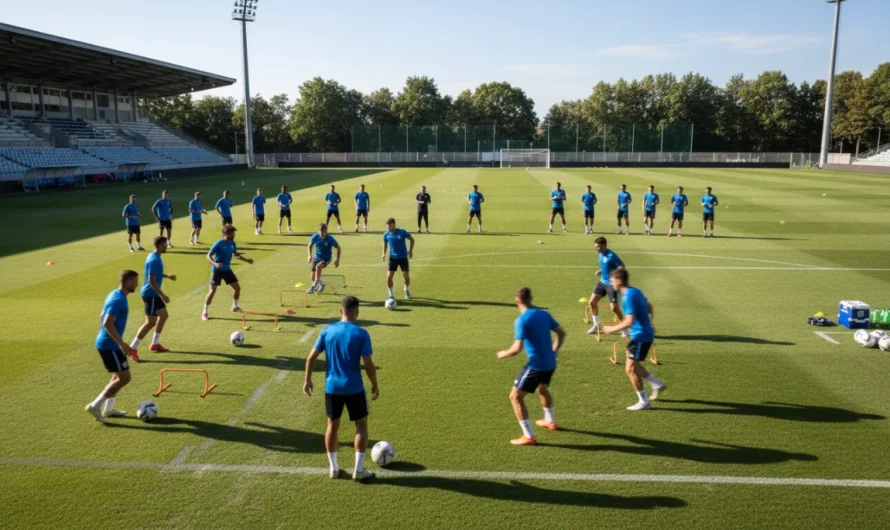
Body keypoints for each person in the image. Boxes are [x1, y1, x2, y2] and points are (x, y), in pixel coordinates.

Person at [303, 296, 379, 481]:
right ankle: (358, 470)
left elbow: (311, 358)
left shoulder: (327, 330)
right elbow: (368, 365)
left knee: (332, 425)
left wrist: (307, 379)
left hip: (332, 387)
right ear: (357, 312)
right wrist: (375, 384)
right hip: (354, 388)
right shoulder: (361, 334)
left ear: (340, 310)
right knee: (361, 426)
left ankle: (334, 468)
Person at [496, 287, 566, 446]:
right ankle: (550, 420)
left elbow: (516, 349)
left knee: (515, 397)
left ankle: (528, 436)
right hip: (550, 363)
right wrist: (554, 350)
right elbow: (561, 333)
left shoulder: (521, 320)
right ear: (530, 298)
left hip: (537, 365)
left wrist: (503, 354)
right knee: (541, 388)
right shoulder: (543, 314)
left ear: (517, 301)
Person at [602, 269, 666, 410]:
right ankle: (657, 384)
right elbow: (649, 306)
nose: (611, 283)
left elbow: (628, 322)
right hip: (643, 334)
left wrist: (610, 329)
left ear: (619, 280)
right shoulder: (635, 291)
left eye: (612, 280)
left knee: (630, 369)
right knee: (634, 365)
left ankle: (644, 402)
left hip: (640, 336)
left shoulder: (627, 297)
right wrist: (650, 323)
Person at [85, 269, 139, 422]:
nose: (137, 284)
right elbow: (107, 321)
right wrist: (122, 344)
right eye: (135, 281)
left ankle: (108, 409)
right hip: (110, 345)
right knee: (125, 378)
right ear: (128, 281)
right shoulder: (118, 300)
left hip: (108, 342)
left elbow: (102, 315)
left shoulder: (114, 294)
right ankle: (95, 405)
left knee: (117, 375)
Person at [129, 236, 177, 356]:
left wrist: (167, 276)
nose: (167, 246)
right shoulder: (154, 260)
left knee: (164, 315)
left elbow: (154, 273)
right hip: (151, 294)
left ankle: (155, 343)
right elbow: (151, 280)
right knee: (150, 322)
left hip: (153, 294)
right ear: (160, 245)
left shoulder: (154, 256)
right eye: (165, 244)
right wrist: (163, 294)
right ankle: (132, 348)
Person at [202, 225, 253, 321]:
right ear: (226, 234)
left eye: (234, 233)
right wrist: (215, 264)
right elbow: (208, 256)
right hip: (217, 270)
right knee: (212, 291)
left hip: (227, 270)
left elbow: (235, 253)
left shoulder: (232, 243)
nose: (234, 234)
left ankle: (234, 307)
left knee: (237, 288)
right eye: (232, 233)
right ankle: (205, 313)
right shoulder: (219, 243)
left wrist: (246, 260)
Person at [587, 237, 627, 337]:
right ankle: (596, 325)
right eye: (596, 247)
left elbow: (622, 265)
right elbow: (606, 265)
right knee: (592, 302)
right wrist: (600, 271)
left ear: (604, 245)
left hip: (611, 284)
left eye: (598, 247)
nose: (597, 249)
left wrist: (615, 276)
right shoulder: (600, 253)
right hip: (602, 282)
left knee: (614, 308)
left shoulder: (611, 255)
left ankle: (624, 328)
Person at [382, 217, 415, 300]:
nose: (389, 228)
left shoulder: (402, 232)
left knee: (406, 277)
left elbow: (412, 239)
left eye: (390, 226)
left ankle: (406, 288)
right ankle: (391, 295)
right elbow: (385, 243)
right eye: (388, 226)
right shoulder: (386, 234)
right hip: (393, 258)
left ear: (394, 224)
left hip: (403, 257)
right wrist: (384, 253)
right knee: (389, 277)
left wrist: (410, 251)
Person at [307, 223, 341, 295]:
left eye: (323, 231)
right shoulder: (315, 236)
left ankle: (313, 287)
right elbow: (310, 245)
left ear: (326, 230)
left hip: (326, 258)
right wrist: (309, 255)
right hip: (316, 257)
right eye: (320, 230)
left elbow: (338, 248)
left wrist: (337, 260)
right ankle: (321, 284)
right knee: (313, 277)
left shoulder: (330, 239)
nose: (321, 232)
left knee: (318, 266)